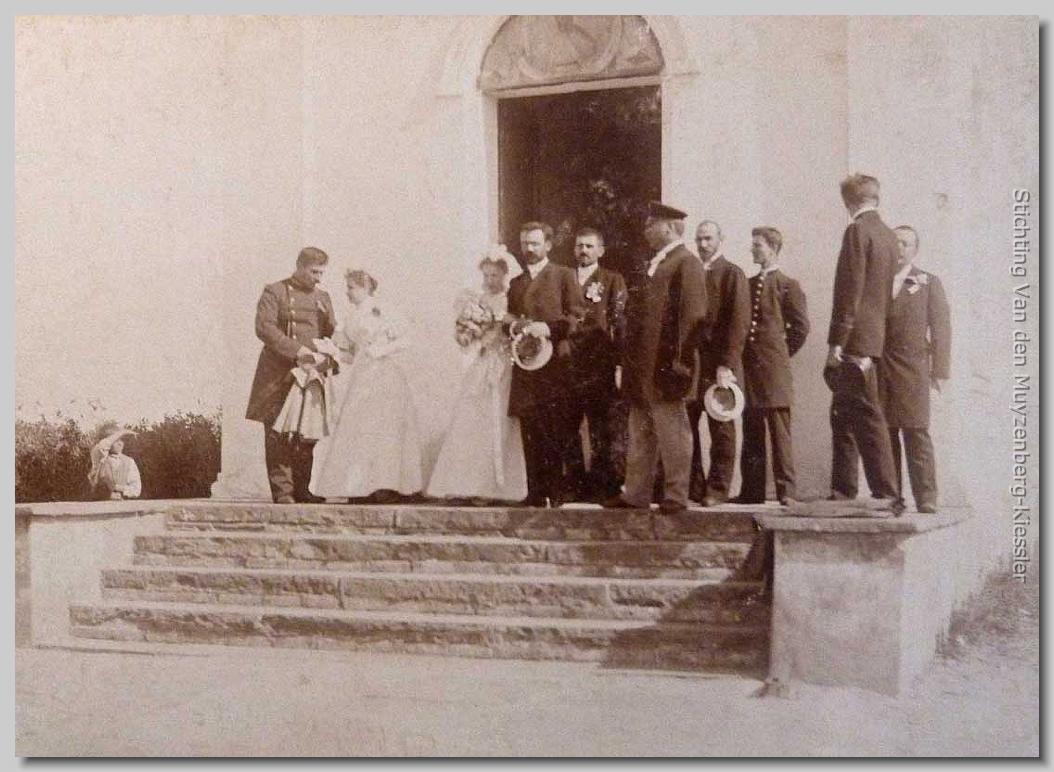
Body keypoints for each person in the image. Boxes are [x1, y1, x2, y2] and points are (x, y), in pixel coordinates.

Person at [605, 202, 708, 514]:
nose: (646, 230)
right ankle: (635, 493)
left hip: (666, 369)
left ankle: (676, 495)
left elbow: (692, 317)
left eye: (652, 224)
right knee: (641, 431)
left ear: (669, 227)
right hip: (643, 369)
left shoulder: (685, 262)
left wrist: (680, 363)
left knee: (673, 431)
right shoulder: (658, 262)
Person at [310, 269, 424, 503]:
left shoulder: (382, 311)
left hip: (385, 376)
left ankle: (387, 485)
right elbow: (351, 354)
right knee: (361, 430)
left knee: (384, 429)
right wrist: (334, 352)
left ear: (365, 288)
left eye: (351, 287)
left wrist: (381, 349)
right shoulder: (351, 318)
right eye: (347, 287)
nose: (347, 292)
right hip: (362, 378)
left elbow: (405, 339)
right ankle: (360, 485)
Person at [427, 251, 528, 503]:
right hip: (481, 362)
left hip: (503, 363)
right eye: (486, 275)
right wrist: (468, 333)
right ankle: (466, 484)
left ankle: (496, 487)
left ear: (504, 275)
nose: (490, 280)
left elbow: (515, 329)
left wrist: (498, 330)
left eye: (495, 275)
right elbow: (464, 336)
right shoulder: (475, 300)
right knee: (472, 417)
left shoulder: (510, 300)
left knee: (499, 419)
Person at [825, 174, 901, 506]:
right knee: (843, 413)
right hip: (875, 340)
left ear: (848, 202)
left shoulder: (857, 231)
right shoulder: (886, 235)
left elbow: (849, 292)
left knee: (865, 415)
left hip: (855, 343)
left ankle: (886, 491)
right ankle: (844, 489)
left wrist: (836, 344)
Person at [245, 247, 337, 504]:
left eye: (321, 272)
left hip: (311, 375)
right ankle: (283, 492)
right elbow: (264, 328)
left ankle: (302, 489)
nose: (318, 278)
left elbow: (331, 333)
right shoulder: (274, 291)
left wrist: (327, 354)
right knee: (278, 433)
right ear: (299, 266)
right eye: (314, 272)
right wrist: (297, 351)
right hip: (279, 374)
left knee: (307, 432)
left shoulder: (324, 297)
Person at [506, 221, 585, 508]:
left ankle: (558, 490)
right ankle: (536, 492)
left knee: (557, 429)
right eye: (525, 243)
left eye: (535, 243)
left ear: (548, 245)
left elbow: (576, 318)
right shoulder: (516, 283)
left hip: (555, 368)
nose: (529, 249)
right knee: (531, 428)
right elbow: (509, 319)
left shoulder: (563, 276)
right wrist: (514, 328)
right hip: (526, 366)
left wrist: (548, 328)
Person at [875, 226, 951, 513]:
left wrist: (940, 370)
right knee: (885, 433)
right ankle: (891, 497)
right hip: (882, 367)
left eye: (905, 243)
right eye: (895, 242)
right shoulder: (876, 281)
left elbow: (941, 327)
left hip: (913, 369)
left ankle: (926, 495)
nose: (900, 247)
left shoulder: (929, 282)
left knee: (916, 431)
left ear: (915, 250)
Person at [733, 227, 810, 505]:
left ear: (773, 248)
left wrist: (779, 354)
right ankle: (751, 492)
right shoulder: (749, 283)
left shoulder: (788, 285)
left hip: (775, 370)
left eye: (758, 245)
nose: (753, 250)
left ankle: (787, 492)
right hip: (750, 369)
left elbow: (801, 328)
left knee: (779, 432)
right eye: (753, 245)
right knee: (752, 429)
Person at [687, 220, 750, 506]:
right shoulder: (690, 272)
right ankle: (693, 486)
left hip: (719, 366)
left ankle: (718, 488)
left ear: (720, 239)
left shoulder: (731, 274)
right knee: (687, 427)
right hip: (692, 364)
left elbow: (738, 323)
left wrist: (726, 364)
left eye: (708, 239)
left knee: (721, 426)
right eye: (699, 239)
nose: (703, 244)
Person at [563, 227, 627, 502]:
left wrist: (619, 361)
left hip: (599, 364)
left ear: (600, 250)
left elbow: (620, 321)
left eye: (589, 246)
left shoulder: (612, 280)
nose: (584, 251)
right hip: (567, 364)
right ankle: (575, 484)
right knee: (567, 426)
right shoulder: (564, 278)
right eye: (580, 246)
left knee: (602, 427)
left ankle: (604, 486)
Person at [87, 430, 141, 500]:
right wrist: (123, 432)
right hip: (99, 504)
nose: (120, 444)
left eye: (121, 440)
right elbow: (102, 445)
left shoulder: (129, 461)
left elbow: (136, 489)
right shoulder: (99, 457)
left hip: (122, 504)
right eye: (116, 440)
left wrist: (118, 488)